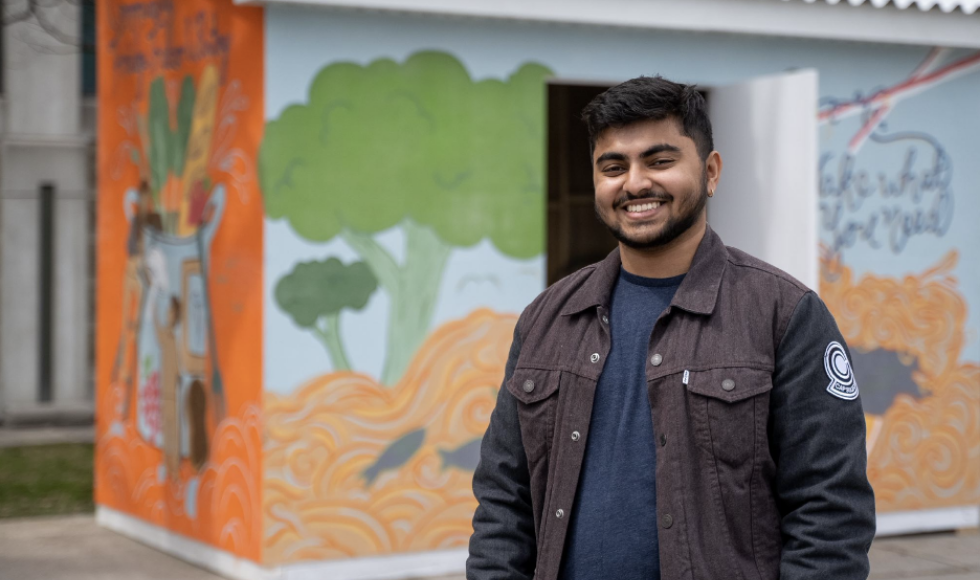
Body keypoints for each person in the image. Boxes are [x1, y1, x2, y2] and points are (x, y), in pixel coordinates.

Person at [467, 76, 875, 580]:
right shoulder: (547, 318)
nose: (635, 183)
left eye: (659, 161)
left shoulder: (784, 314)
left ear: (710, 171)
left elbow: (830, 512)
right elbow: (503, 501)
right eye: (613, 167)